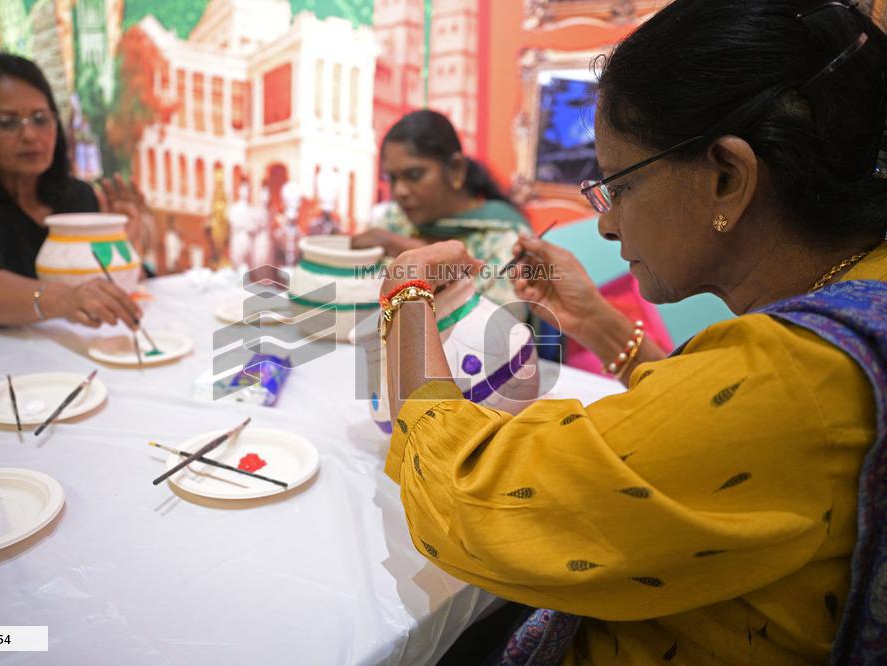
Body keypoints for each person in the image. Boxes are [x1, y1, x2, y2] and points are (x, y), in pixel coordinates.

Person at [377, 1, 887, 663]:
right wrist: (593, 320)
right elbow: (704, 415)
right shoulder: (855, 299)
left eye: (618, 185)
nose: (607, 223)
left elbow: (473, 499)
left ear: (728, 178)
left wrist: (406, 295)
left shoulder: (798, 380)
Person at [0, 53, 148, 330]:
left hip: (69, 344)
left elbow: (102, 294)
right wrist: (65, 299)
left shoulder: (77, 196)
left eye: (41, 119)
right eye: (6, 122)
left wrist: (124, 245)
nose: (30, 135)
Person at [352, 109, 532, 311]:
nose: (399, 191)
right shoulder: (392, 220)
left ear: (456, 169)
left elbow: (502, 319)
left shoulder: (506, 237)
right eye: (392, 178)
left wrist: (406, 250)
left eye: (414, 175)